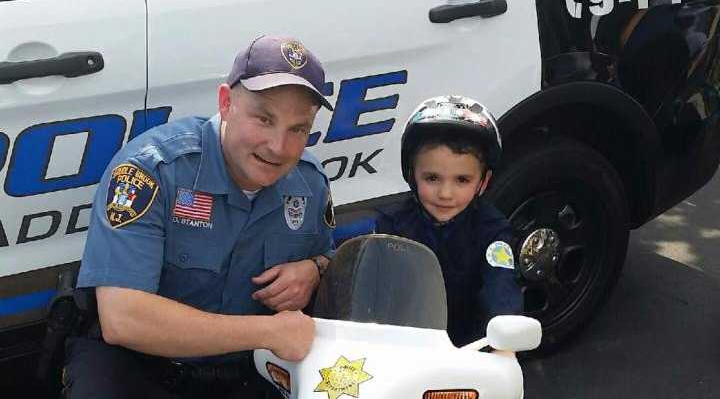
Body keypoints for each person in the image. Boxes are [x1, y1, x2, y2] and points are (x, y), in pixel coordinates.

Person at [62, 35, 337, 398]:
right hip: (139, 367)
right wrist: (268, 333)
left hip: (244, 373)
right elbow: (123, 318)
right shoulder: (151, 172)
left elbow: (332, 260)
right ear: (226, 103)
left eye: (297, 129)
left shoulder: (310, 183)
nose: (278, 147)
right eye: (264, 119)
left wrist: (314, 270)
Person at [371, 95, 523, 350]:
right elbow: (373, 288)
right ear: (412, 175)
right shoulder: (392, 225)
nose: (445, 194)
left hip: (469, 353)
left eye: (462, 180)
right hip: (400, 349)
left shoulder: (493, 231)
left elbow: (501, 286)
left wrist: (507, 327)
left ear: (483, 183)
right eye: (432, 178)